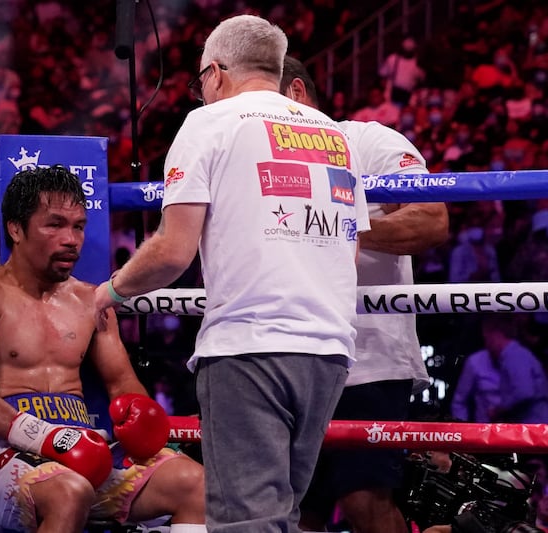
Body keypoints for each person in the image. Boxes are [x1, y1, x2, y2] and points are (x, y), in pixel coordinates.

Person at [94, 14, 370, 532]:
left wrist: (107, 292)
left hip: (251, 349)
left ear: (215, 72)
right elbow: (347, 255)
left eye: (200, 81)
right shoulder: (334, 134)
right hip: (328, 352)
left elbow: (173, 251)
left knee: (246, 523)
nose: (200, 93)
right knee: (281, 517)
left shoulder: (210, 123)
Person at [0, 165, 205, 533]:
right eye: (54, 225)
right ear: (15, 229)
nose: (71, 240)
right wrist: (49, 438)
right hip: (7, 453)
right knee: (71, 493)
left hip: (91, 452)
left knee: (196, 484)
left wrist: (142, 417)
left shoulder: (90, 301)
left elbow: (122, 384)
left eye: (78, 226)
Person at [280, 56, 450, 533]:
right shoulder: (261, 166)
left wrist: (344, 225)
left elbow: (432, 217)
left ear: (295, 93)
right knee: (297, 511)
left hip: (369, 356)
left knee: (364, 504)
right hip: (297, 352)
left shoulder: (368, 141)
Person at [451, 314, 548, 424]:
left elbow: (524, 392)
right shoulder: (511, 355)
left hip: (534, 426)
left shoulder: (514, 355)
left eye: (487, 338)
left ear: (494, 335)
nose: (486, 343)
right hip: (525, 427)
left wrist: (499, 411)